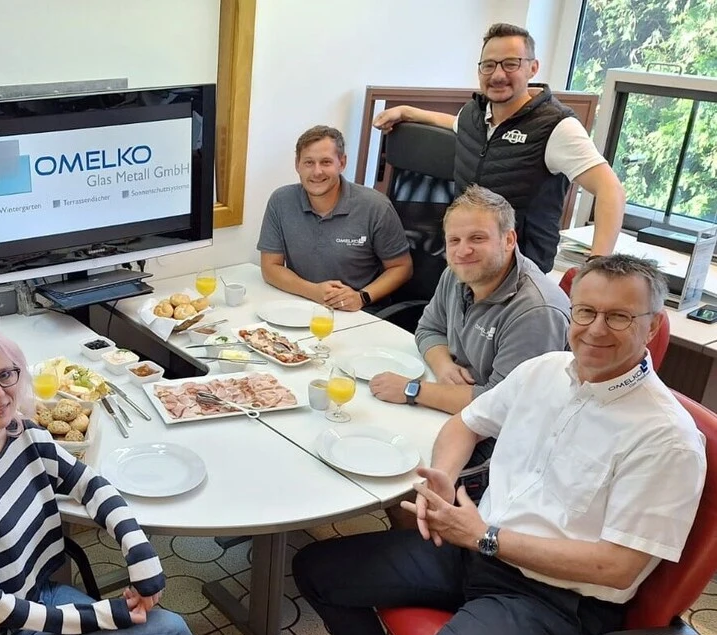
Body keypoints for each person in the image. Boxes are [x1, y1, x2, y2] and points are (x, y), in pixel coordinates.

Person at [293, 254, 705, 635]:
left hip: (550, 600)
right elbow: (465, 424)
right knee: (317, 570)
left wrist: (486, 537)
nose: (596, 329)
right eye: (585, 311)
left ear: (652, 325)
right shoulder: (545, 371)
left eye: (619, 317)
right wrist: (444, 480)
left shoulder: (667, 438)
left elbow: (618, 568)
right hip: (474, 553)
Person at [0, 320, 208, 635]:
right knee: (171, 631)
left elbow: (90, 486)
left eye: (6, 374)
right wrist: (100, 615)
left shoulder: (21, 435)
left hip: (37, 600)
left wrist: (141, 553)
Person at [368, 185, 569, 504]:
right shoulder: (458, 273)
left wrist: (413, 391)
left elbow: (503, 404)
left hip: (508, 442)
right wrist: (443, 364)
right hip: (460, 410)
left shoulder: (535, 311)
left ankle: (429, 541)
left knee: (401, 472)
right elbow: (428, 327)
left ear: (508, 239)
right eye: (454, 241)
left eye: (477, 238)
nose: (462, 251)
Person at [372, 23, 626, 273]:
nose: (497, 75)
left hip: (519, 277)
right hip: (466, 265)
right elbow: (455, 124)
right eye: (489, 65)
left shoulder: (556, 126)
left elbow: (610, 189)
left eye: (511, 64)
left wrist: (597, 266)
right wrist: (408, 112)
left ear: (533, 68)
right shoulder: (474, 113)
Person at [258, 125, 413, 313]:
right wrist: (314, 292)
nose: (317, 172)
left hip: (359, 313)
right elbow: (270, 267)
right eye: (308, 162)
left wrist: (361, 296)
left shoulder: (376, 206)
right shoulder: (280, 201)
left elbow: (402, 267)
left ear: (342, 163)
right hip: (302, 306)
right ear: (297, 164)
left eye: (325, 162)